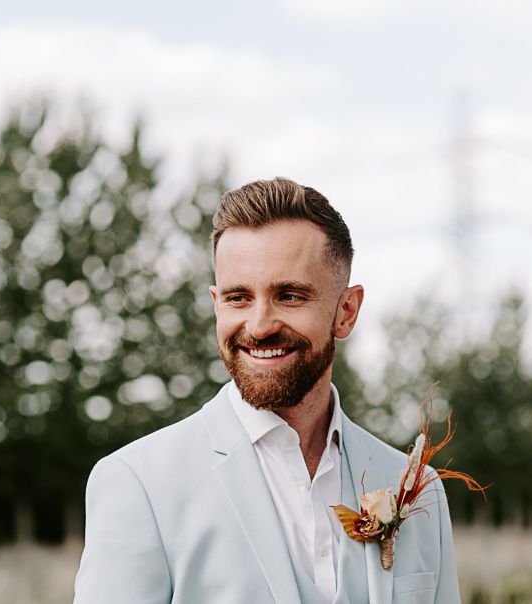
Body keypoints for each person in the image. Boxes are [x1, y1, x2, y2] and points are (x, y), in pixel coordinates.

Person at [73, 177, 460, 603]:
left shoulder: (420, 489)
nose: (259, 326)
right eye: (238, 298)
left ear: (345, 312)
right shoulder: (137, 484)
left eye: (290, 296)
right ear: (215, 303)